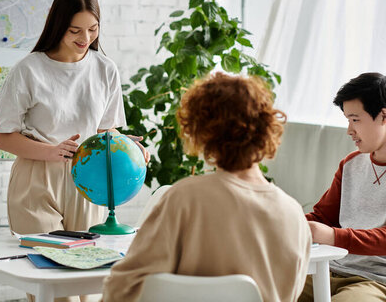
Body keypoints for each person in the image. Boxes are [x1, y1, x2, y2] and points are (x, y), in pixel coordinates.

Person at [0, 0, 148, 302]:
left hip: (87, 179)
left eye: (92, 29)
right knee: (53, 288)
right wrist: (51, 151)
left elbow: (107, 132)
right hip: (37, 181)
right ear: (57, 24)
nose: (85, 39)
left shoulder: (105, 69)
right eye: (75, 30)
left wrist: (127, 147)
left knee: (89, 287)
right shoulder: (28, 70)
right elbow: (3, 137)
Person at [103, 72, 312, 302]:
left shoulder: (185, 198)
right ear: (266, 130)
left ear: (202, 132)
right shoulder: (294, 216)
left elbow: (123, 287)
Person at [299, 72, 386, 302]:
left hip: (376, 280)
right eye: (348, 120)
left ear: (384, 116)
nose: (349, 130)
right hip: (328, 269)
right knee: (263, 288)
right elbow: (322, 217)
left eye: (355, 119)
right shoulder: (351, 164)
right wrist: (283, 220)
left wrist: (333, 237)